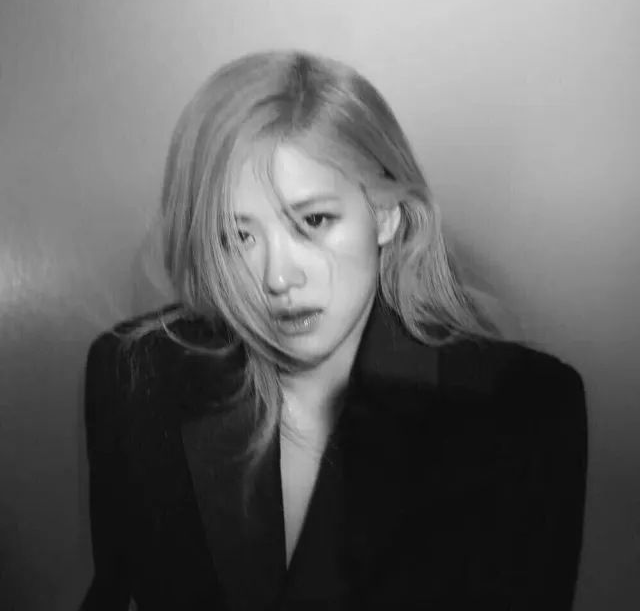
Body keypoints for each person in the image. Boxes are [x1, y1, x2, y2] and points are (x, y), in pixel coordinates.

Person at [79, 50, 587, 610]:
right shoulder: (136, 378)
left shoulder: (523, 413)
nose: (277, 278)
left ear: (386, 215)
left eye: (313, 221)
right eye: (237, 237)